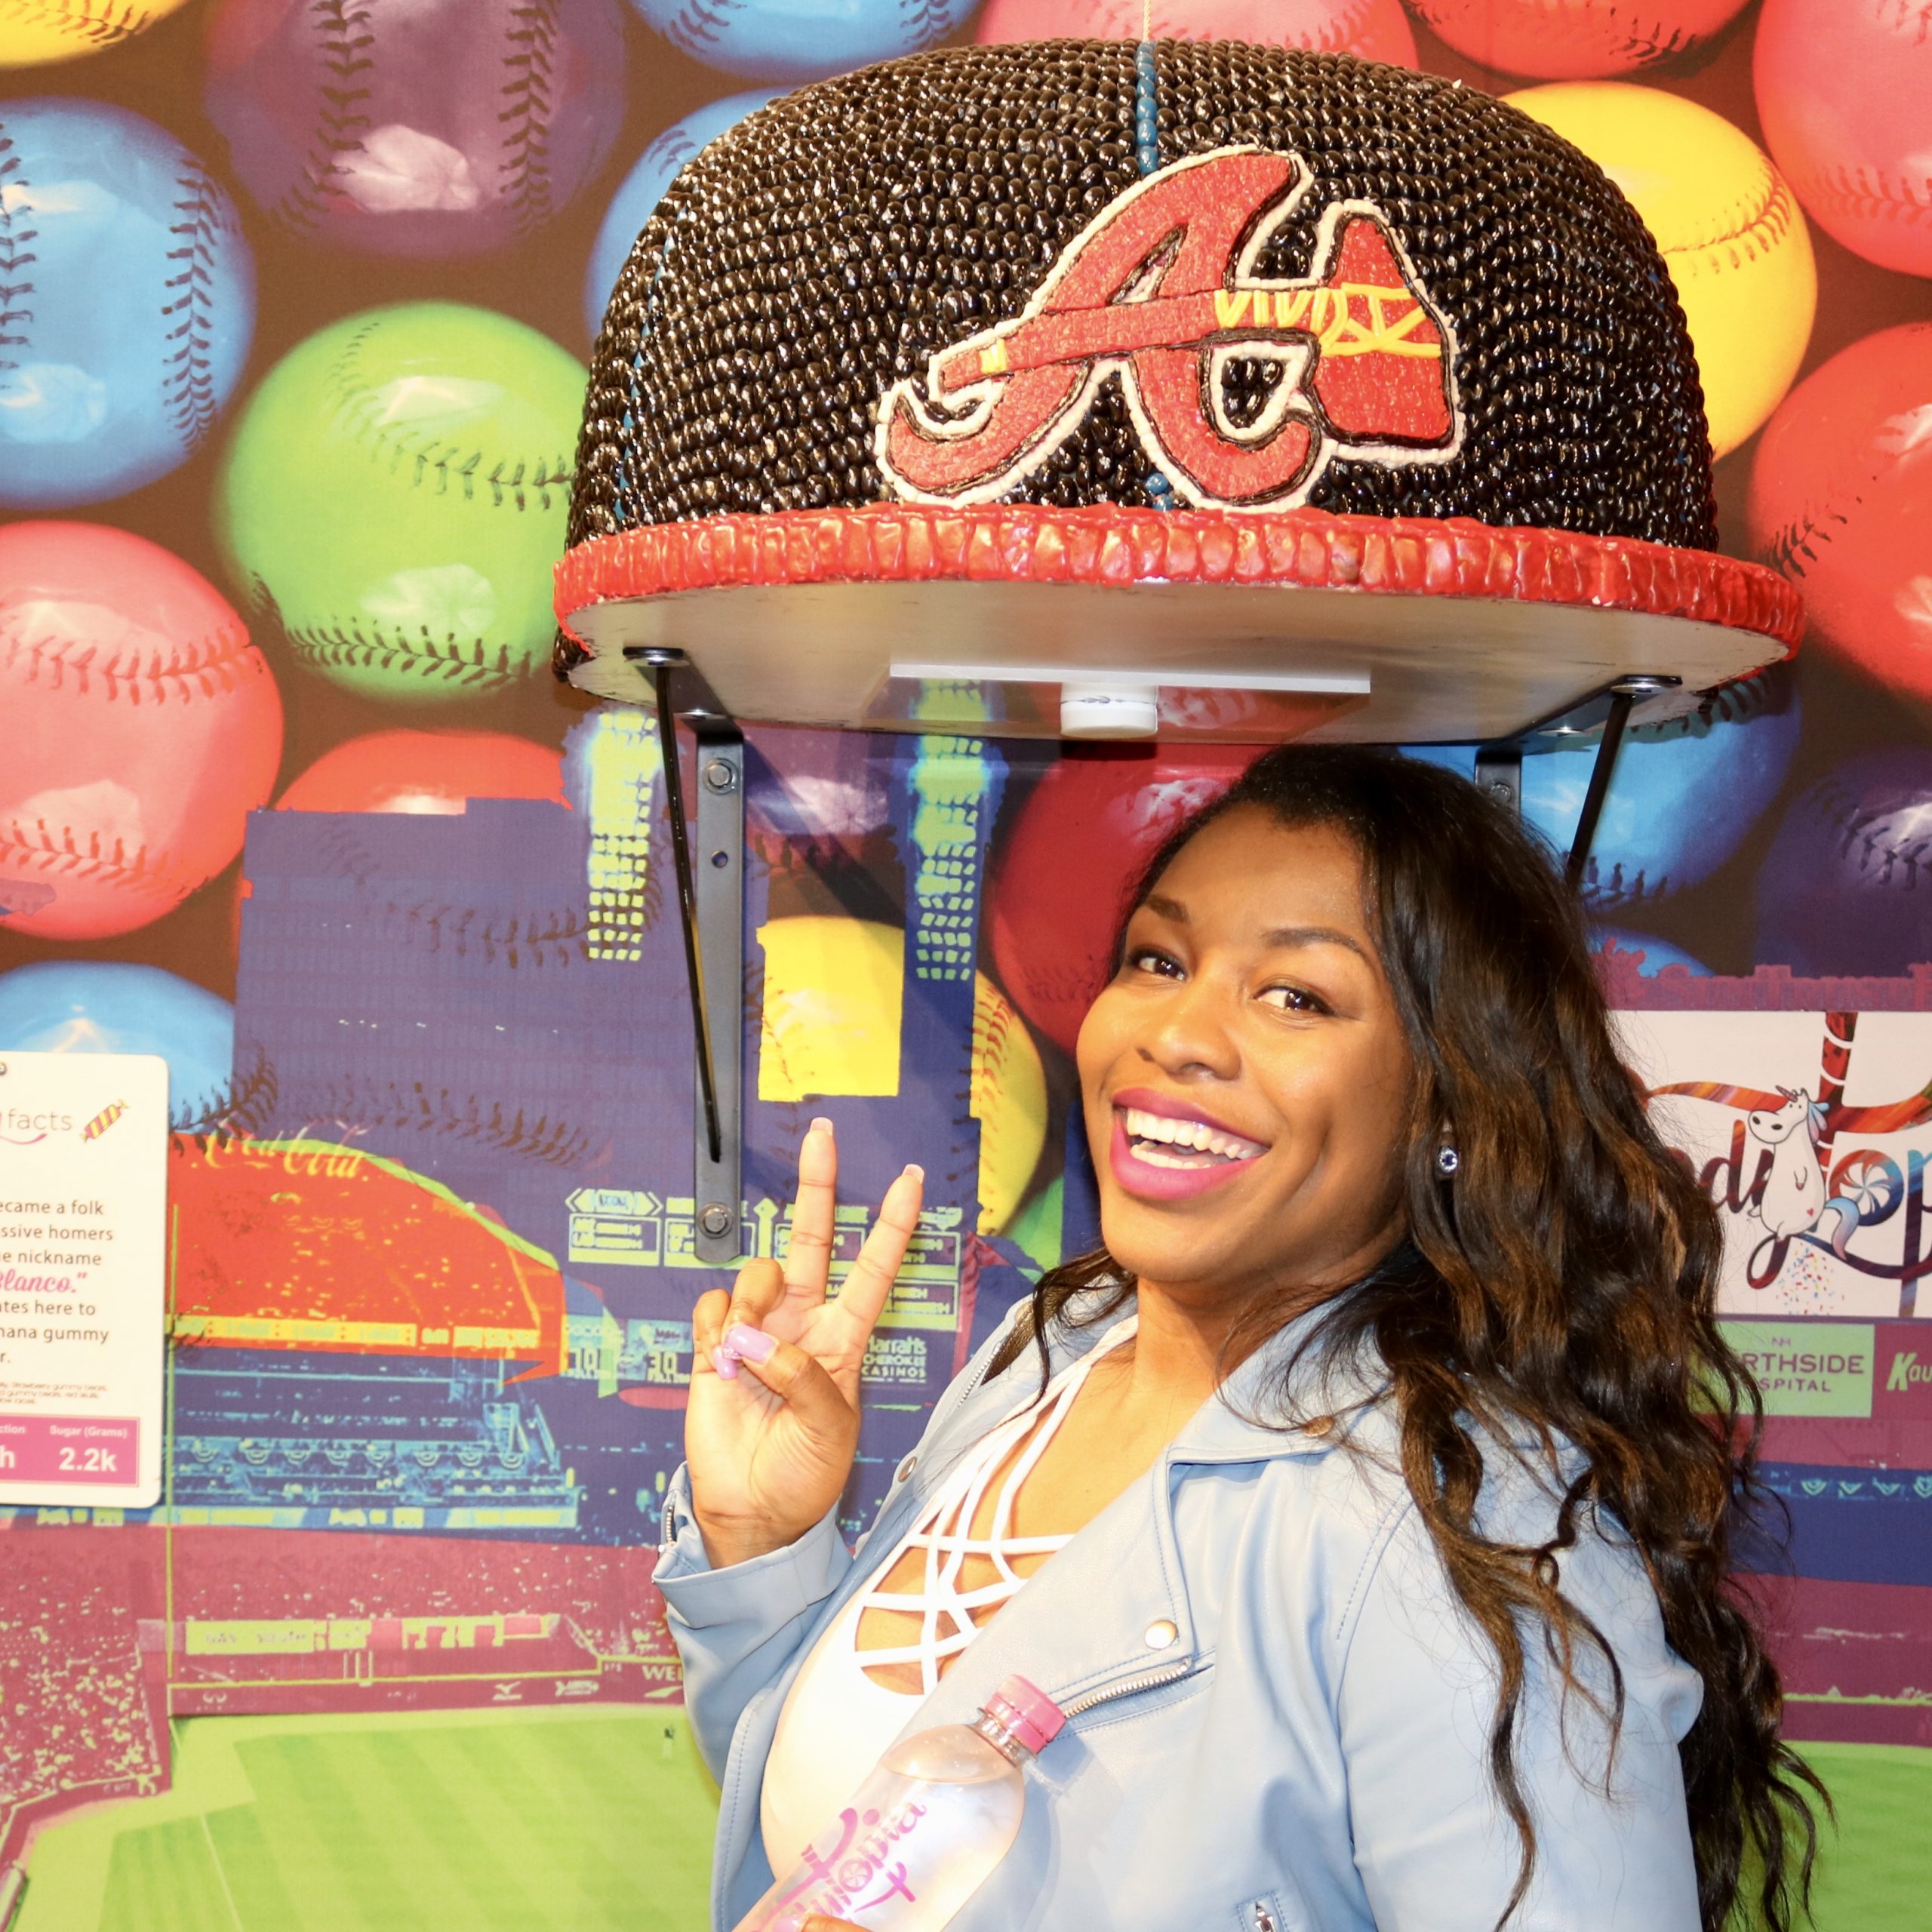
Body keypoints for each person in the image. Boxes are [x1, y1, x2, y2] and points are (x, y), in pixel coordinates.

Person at [655, 744, 1823, 1932]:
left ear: (1448, 1105)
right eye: (1159, 959)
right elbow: (842, 1847)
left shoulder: (1463, 1530)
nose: (1178, 1034)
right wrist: (765, 1550)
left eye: (1296, 996)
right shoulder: (1047, 1350)